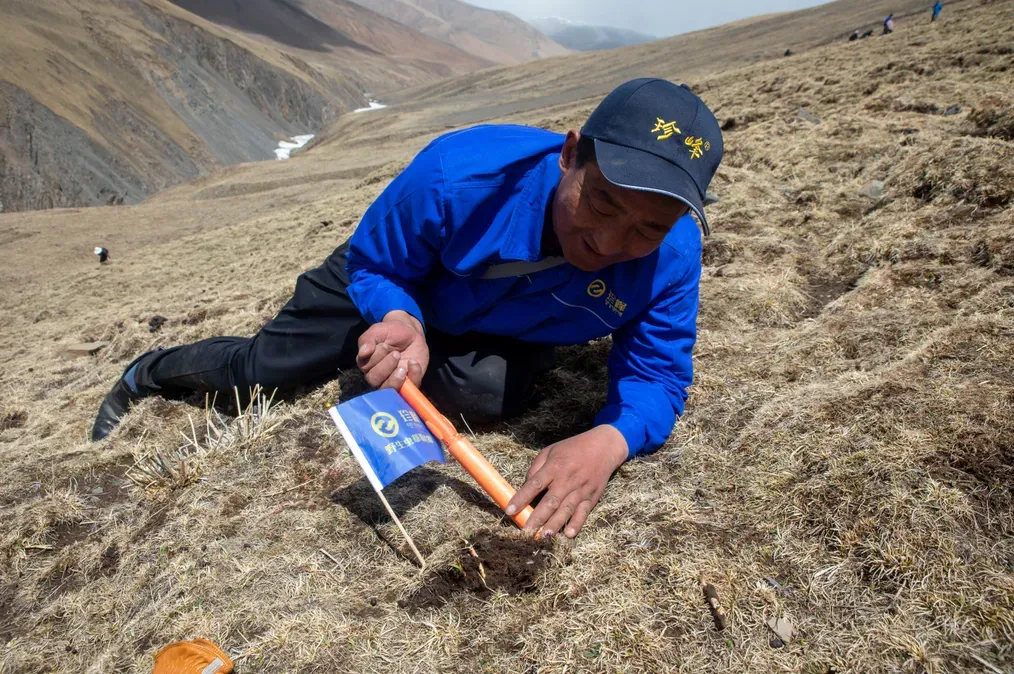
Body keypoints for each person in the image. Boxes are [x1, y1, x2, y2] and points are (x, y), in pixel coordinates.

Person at [91, 78, 723, 539]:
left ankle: (381, 359)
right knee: (264, 372)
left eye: (648, 229)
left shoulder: (673, 253)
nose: (611, 245)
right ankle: (149, 371)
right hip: (393, 277)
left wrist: (608, 443)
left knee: (486, 397)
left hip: (510, 322)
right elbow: (377, 263)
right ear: (570, 153)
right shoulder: (456, 176)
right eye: (604, 205)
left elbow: (658, 374)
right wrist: (400, 317)